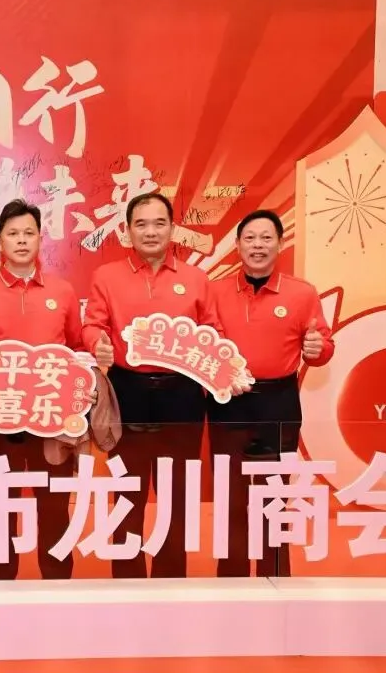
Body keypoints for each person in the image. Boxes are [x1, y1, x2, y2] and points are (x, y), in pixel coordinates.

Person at [81, 192, 246, 579]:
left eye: (159, 223)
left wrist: (228, 369)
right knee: (127, 492)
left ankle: (171, 581)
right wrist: (96, 342)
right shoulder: (107, 276)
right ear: (127, 231)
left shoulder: (195, 279)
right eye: (141, 224)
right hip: (127, 392)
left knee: (178, 493)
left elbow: (213, 332)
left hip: (181, 395)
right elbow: (92, 325)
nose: (151, 232)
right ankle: (127, 580)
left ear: (173, 229)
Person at [0, 198, 83, 580]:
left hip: (51, 420)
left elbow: (77, 348)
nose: (21, 240)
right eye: (13, 234)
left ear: (40, 239)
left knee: (54, 506)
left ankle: (58, 587)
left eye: (29, 233)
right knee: (0, 509)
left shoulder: (63, 291)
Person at [208, 209, 334, 577]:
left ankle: (275, 578)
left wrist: (318, 349)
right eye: (250, 238)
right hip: (228, 402)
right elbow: (204, 345)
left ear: (280, 244)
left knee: (274, 496)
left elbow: (323, 346)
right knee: (231, 496)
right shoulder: (215, 291)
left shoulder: (302, 293)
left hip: (278, 401)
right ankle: (230, 579)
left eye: (266, 238)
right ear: (237, 245)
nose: (258, 245)